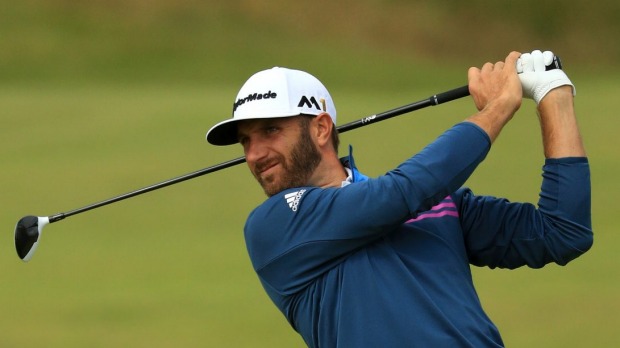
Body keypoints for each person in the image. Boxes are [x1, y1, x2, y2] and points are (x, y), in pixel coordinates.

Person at [205, 50, 593, 347]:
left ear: (321, 128)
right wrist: (498, 108)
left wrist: (552, 94)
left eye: (270, 131)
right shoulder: (273, 226)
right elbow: (400, 193)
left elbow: (562, 231)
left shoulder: (438, 203)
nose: (255, 154)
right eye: (246, 141)